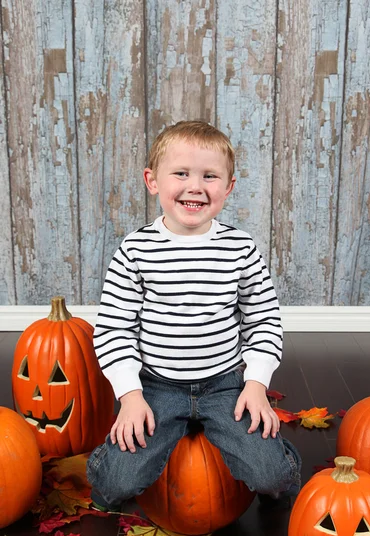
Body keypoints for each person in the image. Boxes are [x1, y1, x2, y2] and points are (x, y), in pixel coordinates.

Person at [86, 120, 301, 511]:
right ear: (153, 180)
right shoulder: (136, 250)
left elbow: (264, 319)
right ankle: (106, 467)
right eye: (181, 173)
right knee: (116, 485)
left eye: (210, 176)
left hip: (224, 385)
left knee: (272, 477)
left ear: (229, 186)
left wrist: (255, 384)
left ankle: (281, 468)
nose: (195, 186)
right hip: (157, 386)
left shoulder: (239, 248)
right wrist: (130, 395)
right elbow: (114, 327)